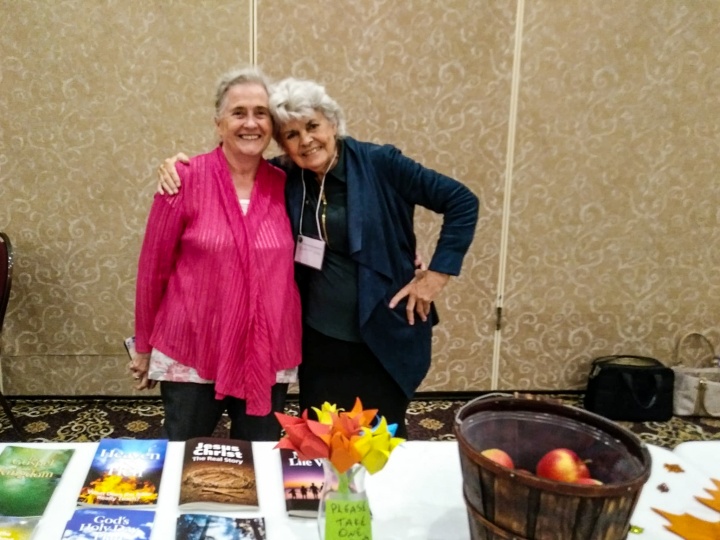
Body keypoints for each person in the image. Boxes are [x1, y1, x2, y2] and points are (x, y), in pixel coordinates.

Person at [157, 76, 479, 438]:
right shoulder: (286, 175)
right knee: (322, 443)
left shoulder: (381, 164)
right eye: (292, 135)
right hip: (320, 340)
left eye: (313, 126)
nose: (306, 140)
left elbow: (462, 202)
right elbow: (235, 169)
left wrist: (436, 275)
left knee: (379, 443)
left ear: (333, 123)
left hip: (381, 335)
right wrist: (178, 166)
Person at [132, 66, 302, 441]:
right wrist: (142, 346)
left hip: (265, 351)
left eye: (261, 113)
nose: (251, 123)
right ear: (219, 123)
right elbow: (152, 270)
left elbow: (332, 223)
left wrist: (405, 257)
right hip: (192, 347)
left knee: (260, 462)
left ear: (272, 125)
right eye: (238, 113)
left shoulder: (288, 184)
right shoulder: (184, 178)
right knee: (184, 457)